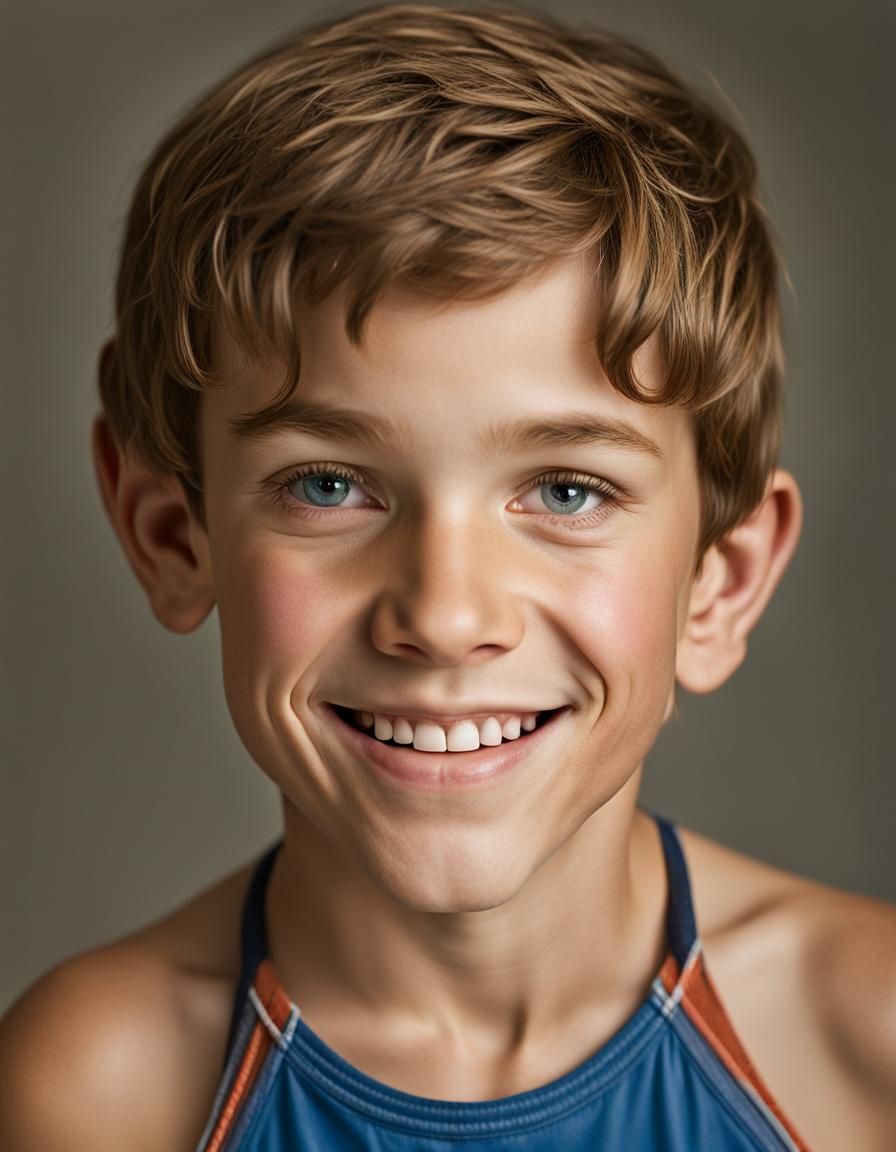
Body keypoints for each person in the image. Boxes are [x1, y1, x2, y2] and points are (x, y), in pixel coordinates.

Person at [1, 4, 894, 1149]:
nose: (444, 614)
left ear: (717, 583)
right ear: (172, 535)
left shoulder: (861, 1043)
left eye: (565, 492)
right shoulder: (99, 1093)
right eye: (327, 485)